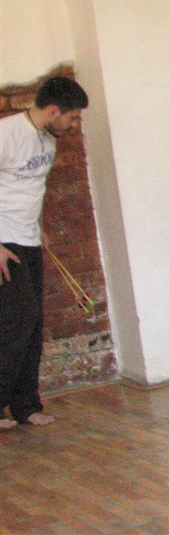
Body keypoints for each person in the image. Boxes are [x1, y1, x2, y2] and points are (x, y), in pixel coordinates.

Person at [1, 75, 89, 430]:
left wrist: (39, 227)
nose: (74, 124)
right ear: (54, 111)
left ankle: (25, 406)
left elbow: (30, 189)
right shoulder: (7, 134)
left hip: (29, 239)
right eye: (72, 117)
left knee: (33, 323)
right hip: (4, 242)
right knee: (17, 320)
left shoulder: (48, 139)